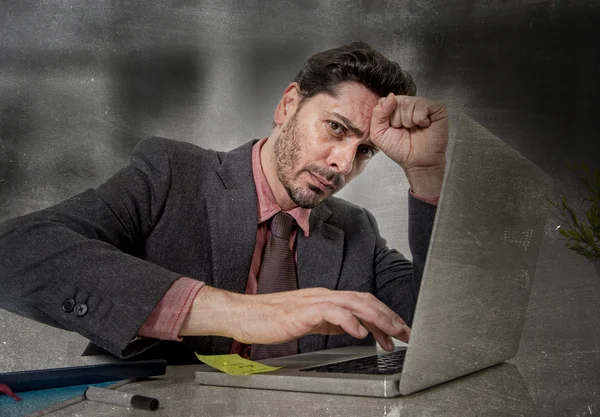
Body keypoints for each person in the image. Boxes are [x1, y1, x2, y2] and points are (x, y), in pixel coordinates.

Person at [0, 41, 448, 364]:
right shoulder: (171, 175)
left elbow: (444, 324)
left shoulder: (357, 231)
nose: (343, 163)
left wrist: (426, 173)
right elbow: (16, 249)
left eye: (366, 150)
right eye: (335, 128)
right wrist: (241, 313)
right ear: (289, 105)